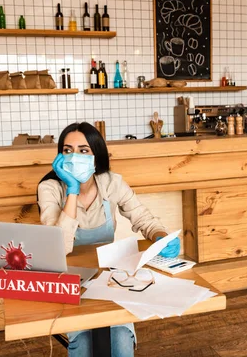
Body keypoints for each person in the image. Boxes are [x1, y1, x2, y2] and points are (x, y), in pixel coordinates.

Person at [37, 122, 180, 357]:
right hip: (69, 281)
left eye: (83, 150)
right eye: (67, 150)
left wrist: (161, 237)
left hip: (109, 278)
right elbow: (58, 248)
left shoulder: (111, 183)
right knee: (82, 343)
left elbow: (143, 218)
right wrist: (72, 190)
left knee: (121, 339)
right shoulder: (50, 188)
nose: (74, 157)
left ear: (96, 156)